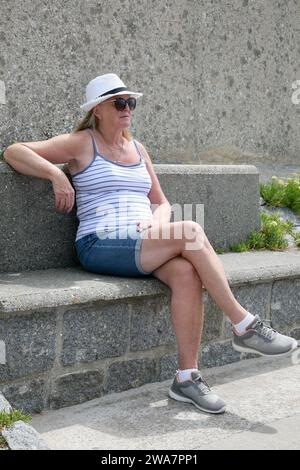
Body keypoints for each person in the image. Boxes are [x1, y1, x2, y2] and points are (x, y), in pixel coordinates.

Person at [4, 73, 298, 415]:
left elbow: (160, 202)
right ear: (98, 109)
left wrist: (156, 222)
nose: (127, 108)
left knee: (187, 273)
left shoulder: (138, 149)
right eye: (119, 102)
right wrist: (56, 175)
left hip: (142, 240)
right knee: (189, 231)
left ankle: (187, 378)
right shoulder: (82, 143)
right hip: (100, 243)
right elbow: (14, 151)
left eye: (131, 102)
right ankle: (244, 324)